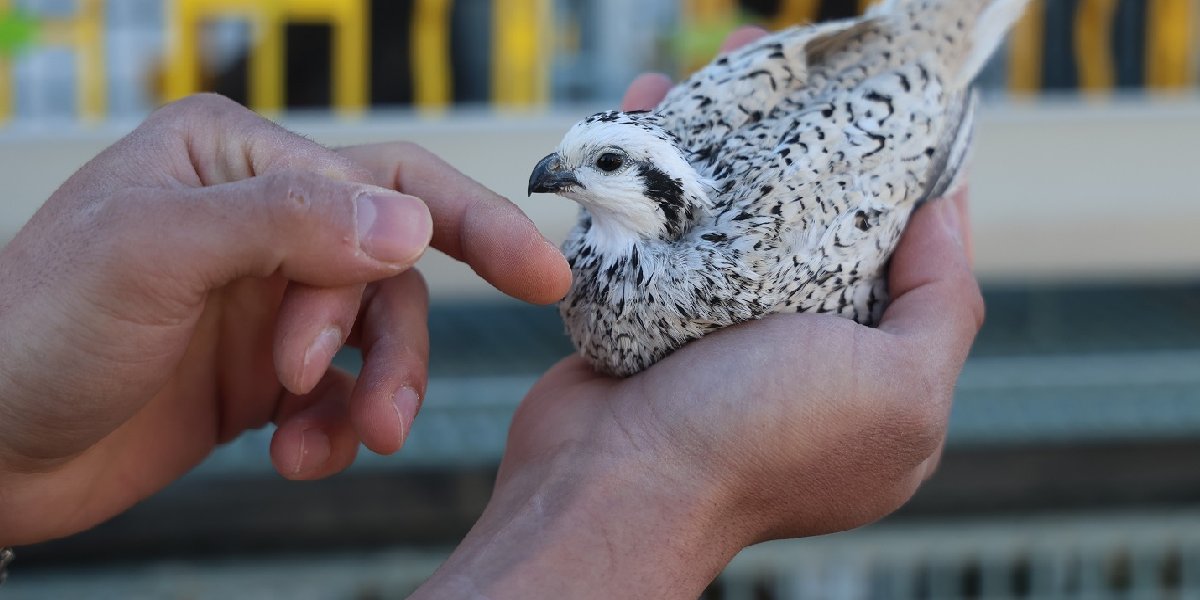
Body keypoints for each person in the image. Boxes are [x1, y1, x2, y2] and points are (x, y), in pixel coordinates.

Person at [0, 28, 982, 598]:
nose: (555, 177)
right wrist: (670, 489)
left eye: (602, 165)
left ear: (653, 186)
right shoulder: (600, 252)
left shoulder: (754, 255)